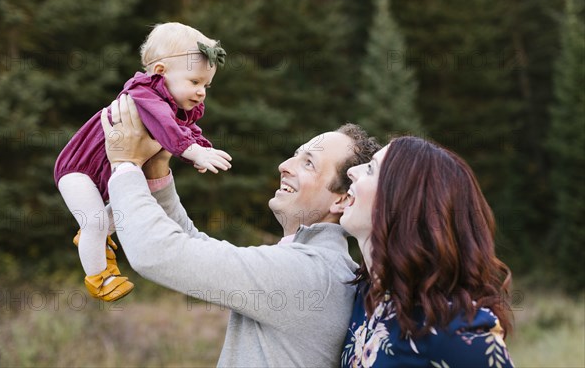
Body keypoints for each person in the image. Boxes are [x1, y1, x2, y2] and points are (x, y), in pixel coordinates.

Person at [98, 95, 381, 366]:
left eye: (308, 163)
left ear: (342, 199)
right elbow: (193, 244)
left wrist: (125, 165)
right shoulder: (318, 264)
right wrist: (157, 173)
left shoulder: (309, 273)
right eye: (295, 155)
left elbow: (159, 253)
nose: (284, 166)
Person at [54, 22, 232, 302]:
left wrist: (202, 148)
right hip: (80, 170)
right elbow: (169, 129)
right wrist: (195, 152)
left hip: (109, 170)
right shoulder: (144, 94)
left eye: (206, 85)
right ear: (161, 72)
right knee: (97, 222)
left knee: (127, 207)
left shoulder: (176, 104)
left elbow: (187, 130)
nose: (201, 92)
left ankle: (95, 236)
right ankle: (101, 278)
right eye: (195, 82)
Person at [340, 136, 515, 367]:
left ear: (402, 202)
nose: (352, 170)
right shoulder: (364, 297)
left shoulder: (457, 331)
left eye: (371, 169)